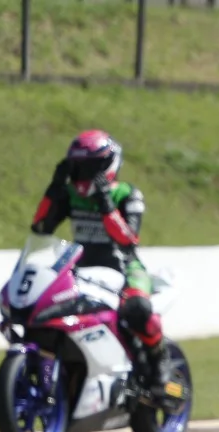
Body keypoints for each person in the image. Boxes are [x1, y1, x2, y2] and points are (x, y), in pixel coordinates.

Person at [30, 130, 178, 407]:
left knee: (137, 309)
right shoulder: (71, 194)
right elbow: (41, 227)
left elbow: (127, 239)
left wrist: (105, 202)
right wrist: (54, 188)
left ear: (107, 165)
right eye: (76, 166)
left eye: (89, 166)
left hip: (125, 268)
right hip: (81, 270)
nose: (82, 173)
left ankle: (160, 366)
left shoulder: (128, 194)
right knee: (46, 314)